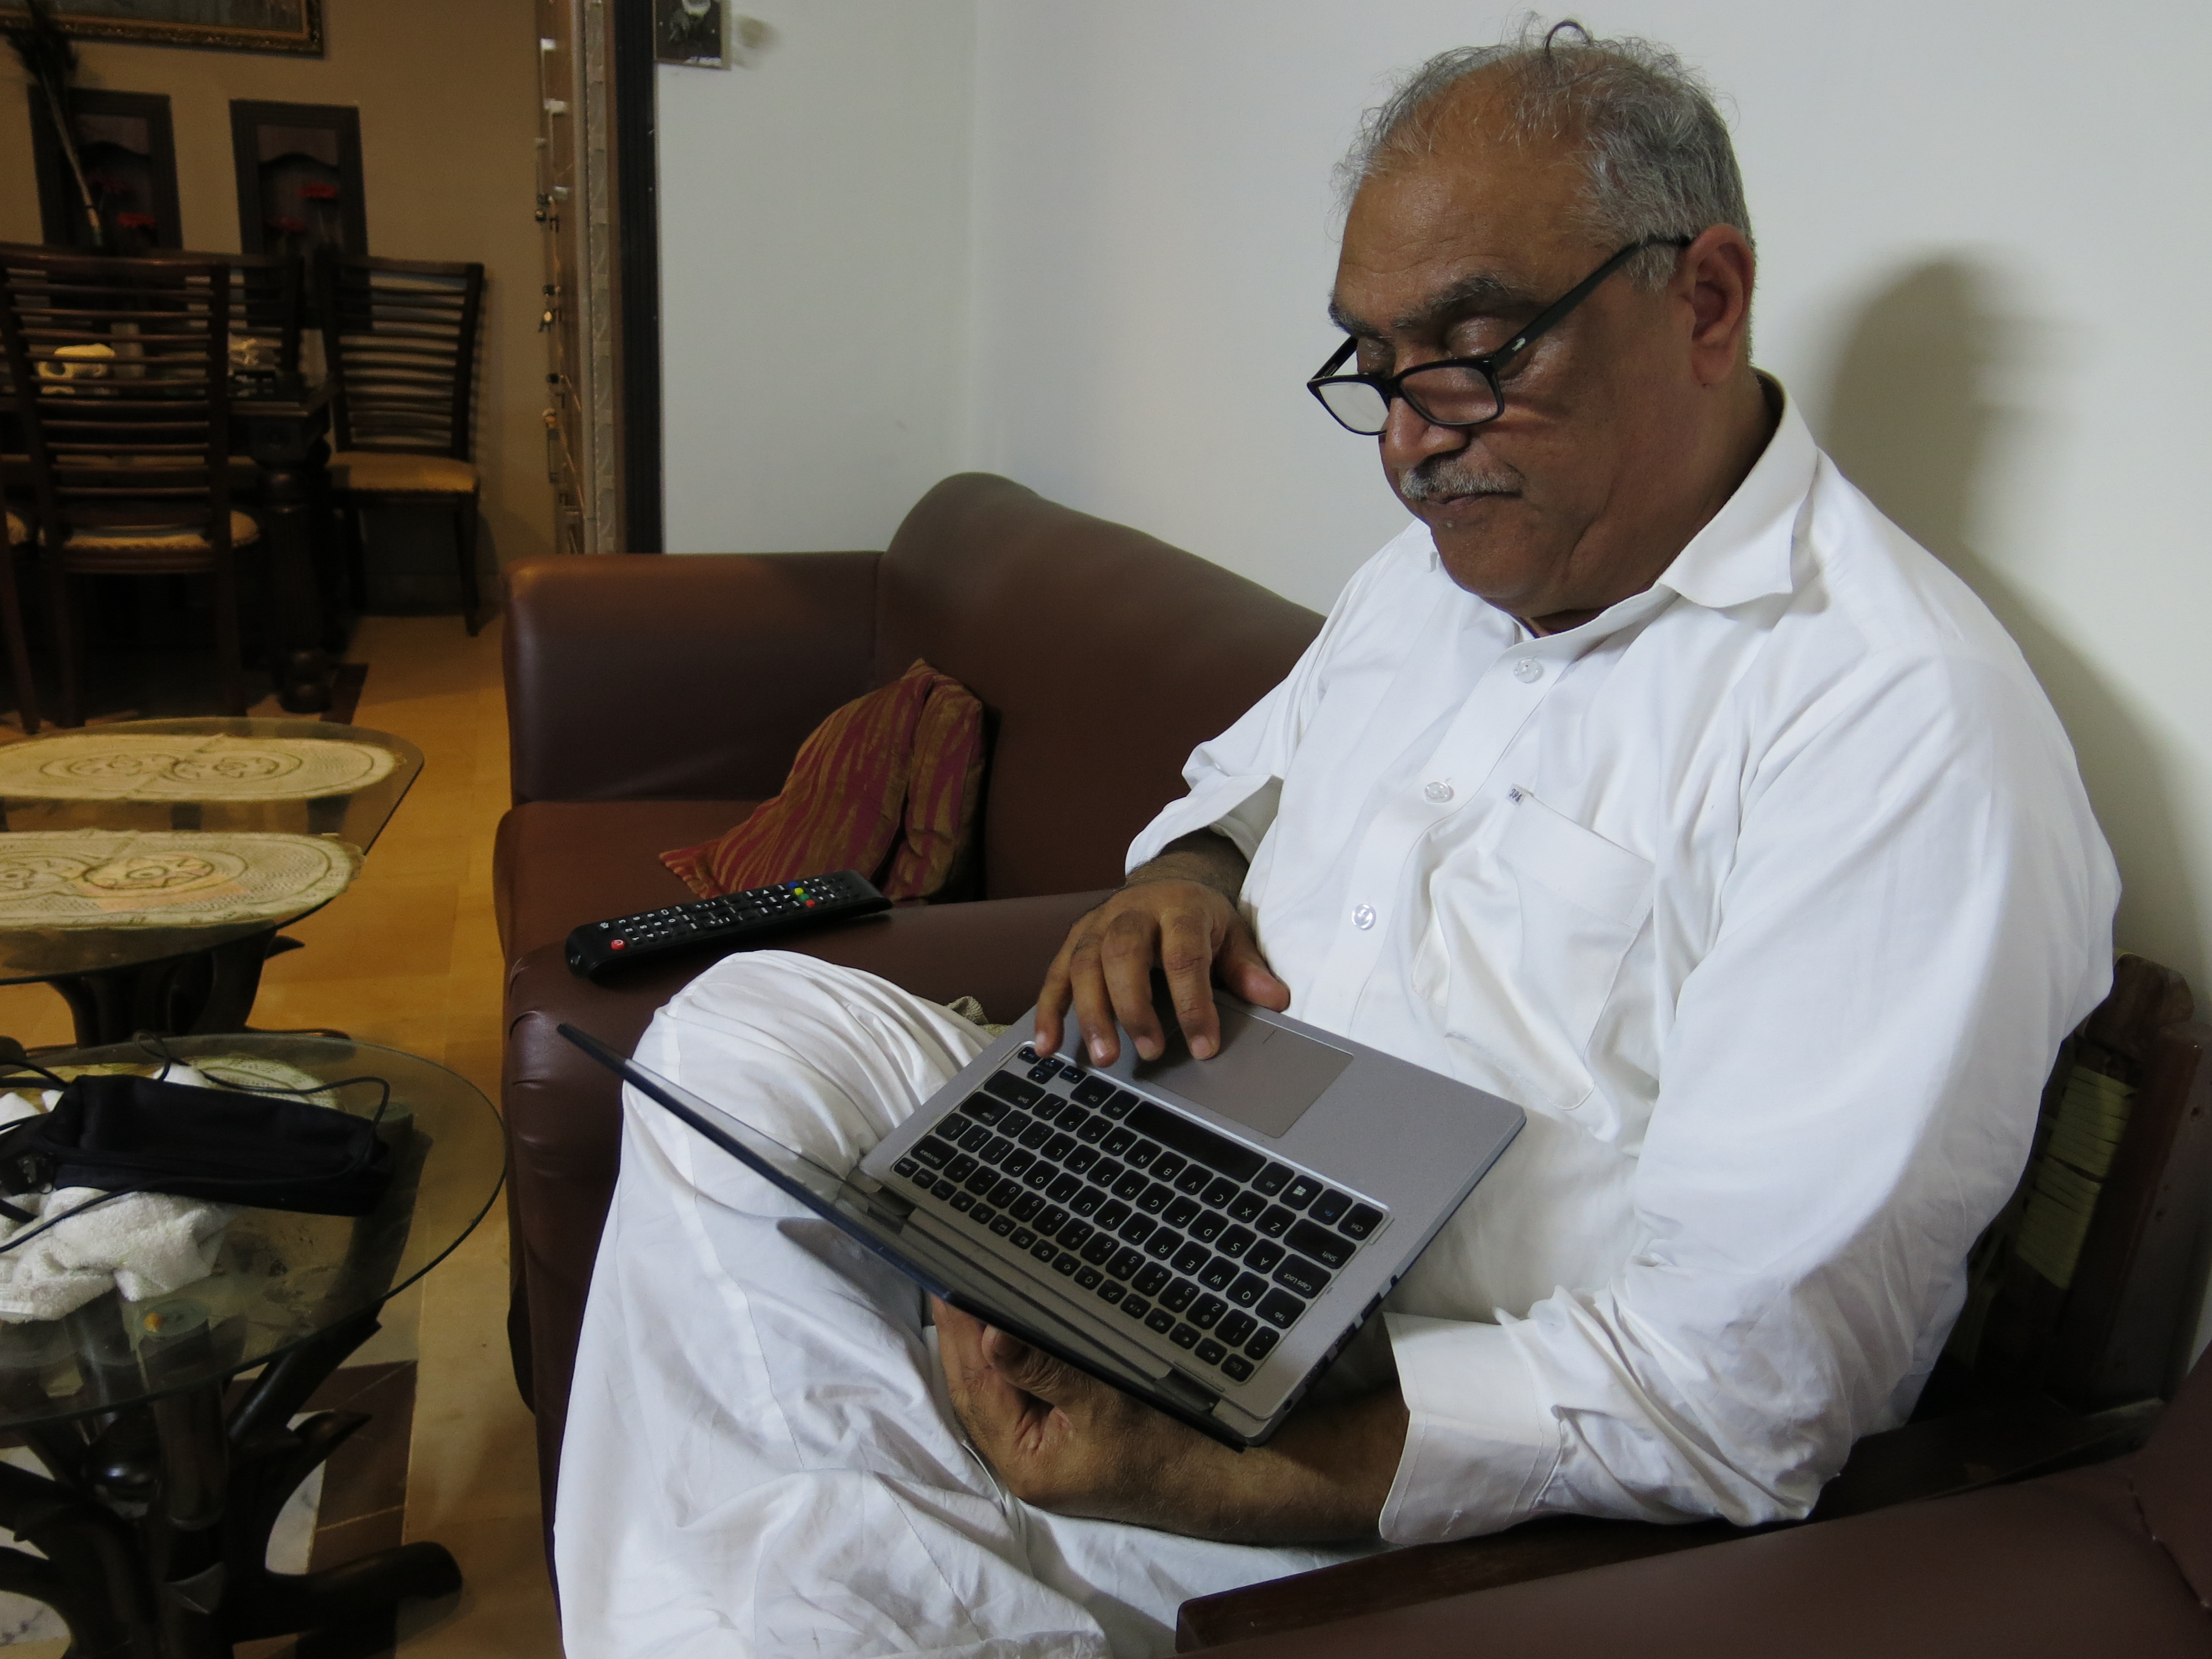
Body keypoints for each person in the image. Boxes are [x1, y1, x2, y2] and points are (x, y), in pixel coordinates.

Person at [554, 23, 2119, 1658]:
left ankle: (884, 1548)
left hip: (1384, 1385)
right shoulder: (1435, 575)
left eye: (1477, 347)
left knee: (773, 1516)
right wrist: (1184, 876)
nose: (1408, 440)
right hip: (1171, 1180)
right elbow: (1245, 773)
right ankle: (890, 1536)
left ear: (1705, 300)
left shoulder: (1895, 729)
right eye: (1376, 366)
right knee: (741, 1030)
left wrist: (1206, 1463)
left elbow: (1746, 1389)